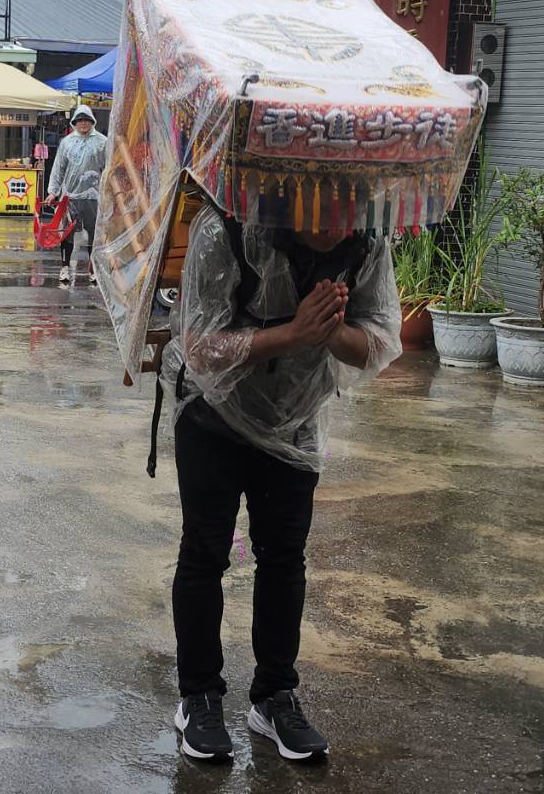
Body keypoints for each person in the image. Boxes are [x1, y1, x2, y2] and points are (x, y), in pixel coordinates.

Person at [158, 204, 402, 763]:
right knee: (204, 555)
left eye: (351, 197)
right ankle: (198, 697)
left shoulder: (364, 243)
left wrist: (332, 330)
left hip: (293, 423)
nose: (338, 217)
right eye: (325, 199)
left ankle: (274, 697)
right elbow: (199, 345)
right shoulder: (227, 230)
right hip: (211, 416)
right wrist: (293, 333)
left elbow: (380, 343)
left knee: (284, 559)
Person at [44, 104, 106, 284]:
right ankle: (64, 267)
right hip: (69, 197)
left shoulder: (102, 142)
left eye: (87, 120)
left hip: (93, 196)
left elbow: (109, 167)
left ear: (92, 121)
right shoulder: (67, 142)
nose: (84, 124)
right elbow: (58, 169)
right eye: (80, 120)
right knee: (66, 233)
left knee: (94, 233)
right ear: (75, 123)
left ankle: (92, 269)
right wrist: (52, 192)